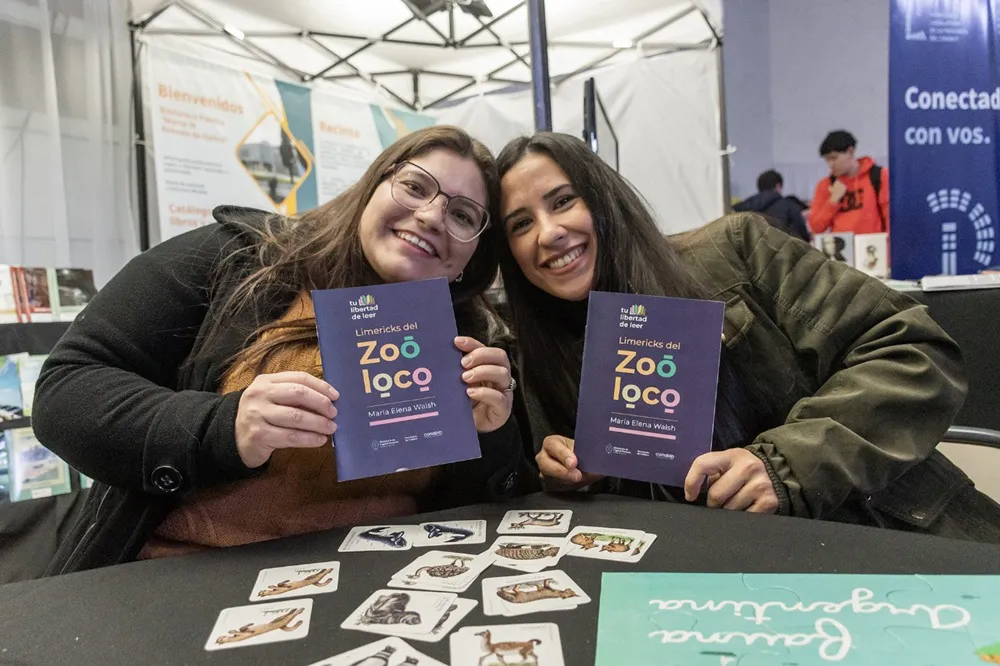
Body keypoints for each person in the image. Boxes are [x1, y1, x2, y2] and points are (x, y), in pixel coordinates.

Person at [33, 126, 529, 574]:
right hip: (182, 582)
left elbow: (477, 511)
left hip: (380, 584)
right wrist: (224, 428)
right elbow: (66, 390)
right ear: (370, 188)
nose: (431, 216)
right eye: (416, 187)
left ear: (471, 255)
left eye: (462, 214)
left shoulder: (470, 340)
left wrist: (490, 434)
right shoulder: (237, 258)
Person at [494, 131, 1000, 543]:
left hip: (885, 542)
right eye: (520, 224)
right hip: (710, 593)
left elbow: (913, 351)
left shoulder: (735, 250)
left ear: (604, 198)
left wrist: (785, 465)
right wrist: (569, 475)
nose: (549, 232)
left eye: (563, 201)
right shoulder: (546, 350)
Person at [809, 130, 889, 235]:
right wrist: (833, 201)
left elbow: (891, 216)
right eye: (827, 160)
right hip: (840, 248)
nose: (831, 164)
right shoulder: (826, 185)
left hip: (874, 247)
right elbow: (816, 227)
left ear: (850, 152)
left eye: (834, 158)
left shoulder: (879, 176)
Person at [732, 169, 810, 242]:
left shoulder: (740, 209)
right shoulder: (789, 206)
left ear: (759, 187)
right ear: (778, 186)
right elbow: (802, 236)